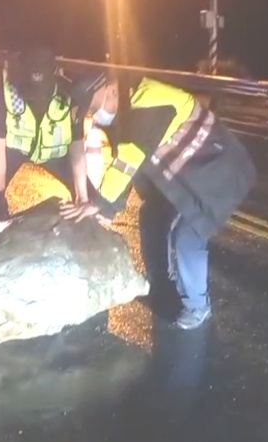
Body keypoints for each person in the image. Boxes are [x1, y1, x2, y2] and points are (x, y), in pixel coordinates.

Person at [61, 71, 256, 330]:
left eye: (94, 108)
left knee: (187, 235)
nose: (94, 116)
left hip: (216, 170)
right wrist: (107, 209)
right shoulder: (124, 109)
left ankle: (198, 306)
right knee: (151, 217)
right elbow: (129, 166)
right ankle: (164, 282)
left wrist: (98, 203)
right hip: (185, 176)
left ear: (110, 91)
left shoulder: (147, 103)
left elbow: (127, 160)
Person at [0, 47, 93, 234]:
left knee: (88, 205)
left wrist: (83, 197)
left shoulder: (68, 95)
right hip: (14, 150)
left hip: (55, 153)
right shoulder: (2, 92)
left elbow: (77, 147)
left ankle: (90, 247)